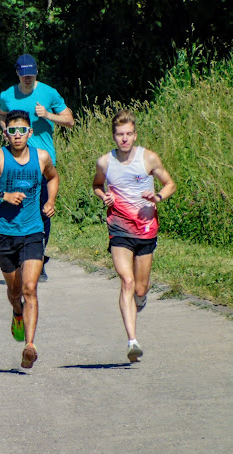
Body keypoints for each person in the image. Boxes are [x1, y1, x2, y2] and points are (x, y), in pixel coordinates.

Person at [0, 110, 59, 369]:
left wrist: (50, 200)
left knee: (30, 288)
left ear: (30, 133)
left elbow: (53, 177)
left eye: (22, 131)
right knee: (15, 291)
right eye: (12, 131)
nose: (17, 135)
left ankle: (30, 346)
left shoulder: (41, 157)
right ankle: (17, 312)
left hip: (33, 231)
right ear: (5, 132)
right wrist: (2, 195)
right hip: (5, 234)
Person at [92, 109, 176, 362]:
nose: (124, 139)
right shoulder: (105, 162)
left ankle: (140, 300)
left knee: (140, 287)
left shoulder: (148, 158)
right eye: (119, 134)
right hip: (119, 226)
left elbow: (170, 183)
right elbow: (97, 185)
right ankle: (132, 341)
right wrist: (103, 195)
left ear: (135, 135)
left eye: (128, 134)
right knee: (126, 282)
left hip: (146, 227)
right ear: (113, 136)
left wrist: (158, 197)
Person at [0, 54, 74, 281]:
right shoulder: (7, 95)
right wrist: (5, 128)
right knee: (16, 209)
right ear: (17, 73)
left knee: (43, 212)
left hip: (42, 162)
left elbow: (69, 120)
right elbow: (3, 114)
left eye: (31, 74)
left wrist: (48, 115)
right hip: (15, 162)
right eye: (24, 75)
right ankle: (21, 256)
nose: (28, 79)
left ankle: (38, 259)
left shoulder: (49, 93)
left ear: (36, 73)